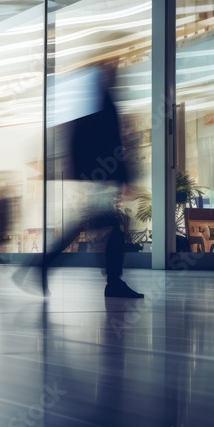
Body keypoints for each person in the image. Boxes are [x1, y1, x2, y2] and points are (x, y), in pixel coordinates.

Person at [30, 62, 143, 299]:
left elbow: (77, 140)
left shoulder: (92, 102)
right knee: (111, 225)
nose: (117, 75)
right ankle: (111, 281)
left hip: (96, 177)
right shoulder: (103, 103)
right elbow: (114, 144)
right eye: (113, 71)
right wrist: (123, 177)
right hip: (101, 177)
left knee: (102, 225)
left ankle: (47, 264)